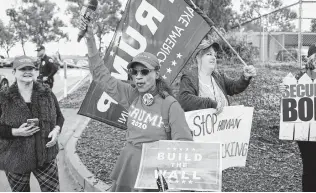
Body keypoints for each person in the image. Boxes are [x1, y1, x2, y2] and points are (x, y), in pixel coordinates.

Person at [79, 19, 193, 192]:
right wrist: (89, 38)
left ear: (156, 74)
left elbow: (183, 144)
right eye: (134, 72)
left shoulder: (171, 105)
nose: (138, 77)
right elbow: (100, 74)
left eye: (145, 72)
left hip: (153, 173)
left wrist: (174, 185)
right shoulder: (132, 94)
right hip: (129, 165)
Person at [0, 56, 64, 192]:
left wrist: (56, 130)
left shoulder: (47, 93)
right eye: (23, 69)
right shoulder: (4, 98)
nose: (27, 71)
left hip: (46, 156)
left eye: (30, 68)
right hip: (15, 158)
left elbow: (59, 117)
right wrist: (15, 132)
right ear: (14, 72)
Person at [178, 39, 257, 113]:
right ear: (198, 58)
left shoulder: (218, 76)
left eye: (215, 55)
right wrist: (211, 103)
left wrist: (245, 77)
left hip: (223, 126)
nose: (213, 58)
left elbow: (234, 87)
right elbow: (184, 100)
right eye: (209, 54)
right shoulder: (189, 78)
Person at [279, 43, 316, 192]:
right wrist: (284, 90)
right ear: (309, 60)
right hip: (305, 131)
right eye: (314, 59)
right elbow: (291, 100)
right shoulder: (299, 78)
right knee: (310, 167)